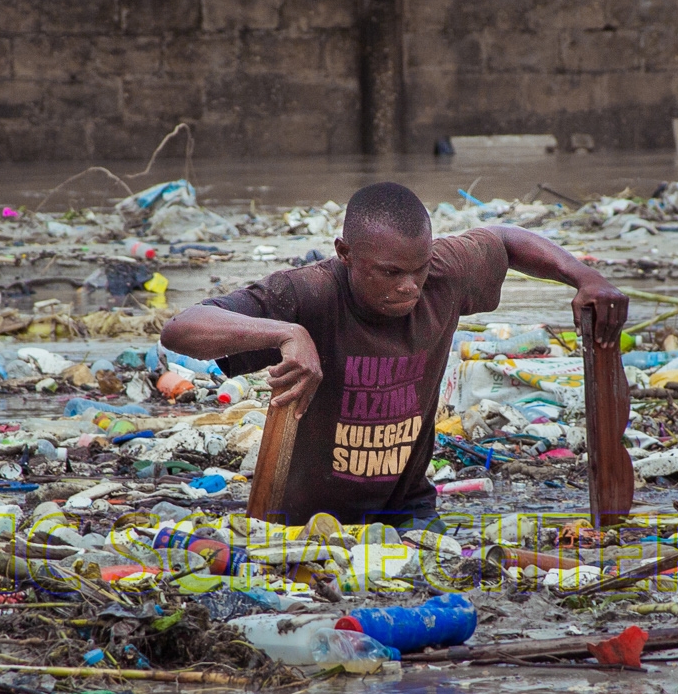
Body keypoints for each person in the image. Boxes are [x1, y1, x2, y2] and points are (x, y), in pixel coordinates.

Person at [160, 181, 627, 527]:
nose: (408, 286)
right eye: (389, 273)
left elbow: (503, 240)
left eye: (417, 269)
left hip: (407, 513)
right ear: (344, 253)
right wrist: (288, 333)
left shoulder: (443, 275)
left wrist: (585, 277)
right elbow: (181, 329)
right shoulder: (308, 293)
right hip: (303, 524)